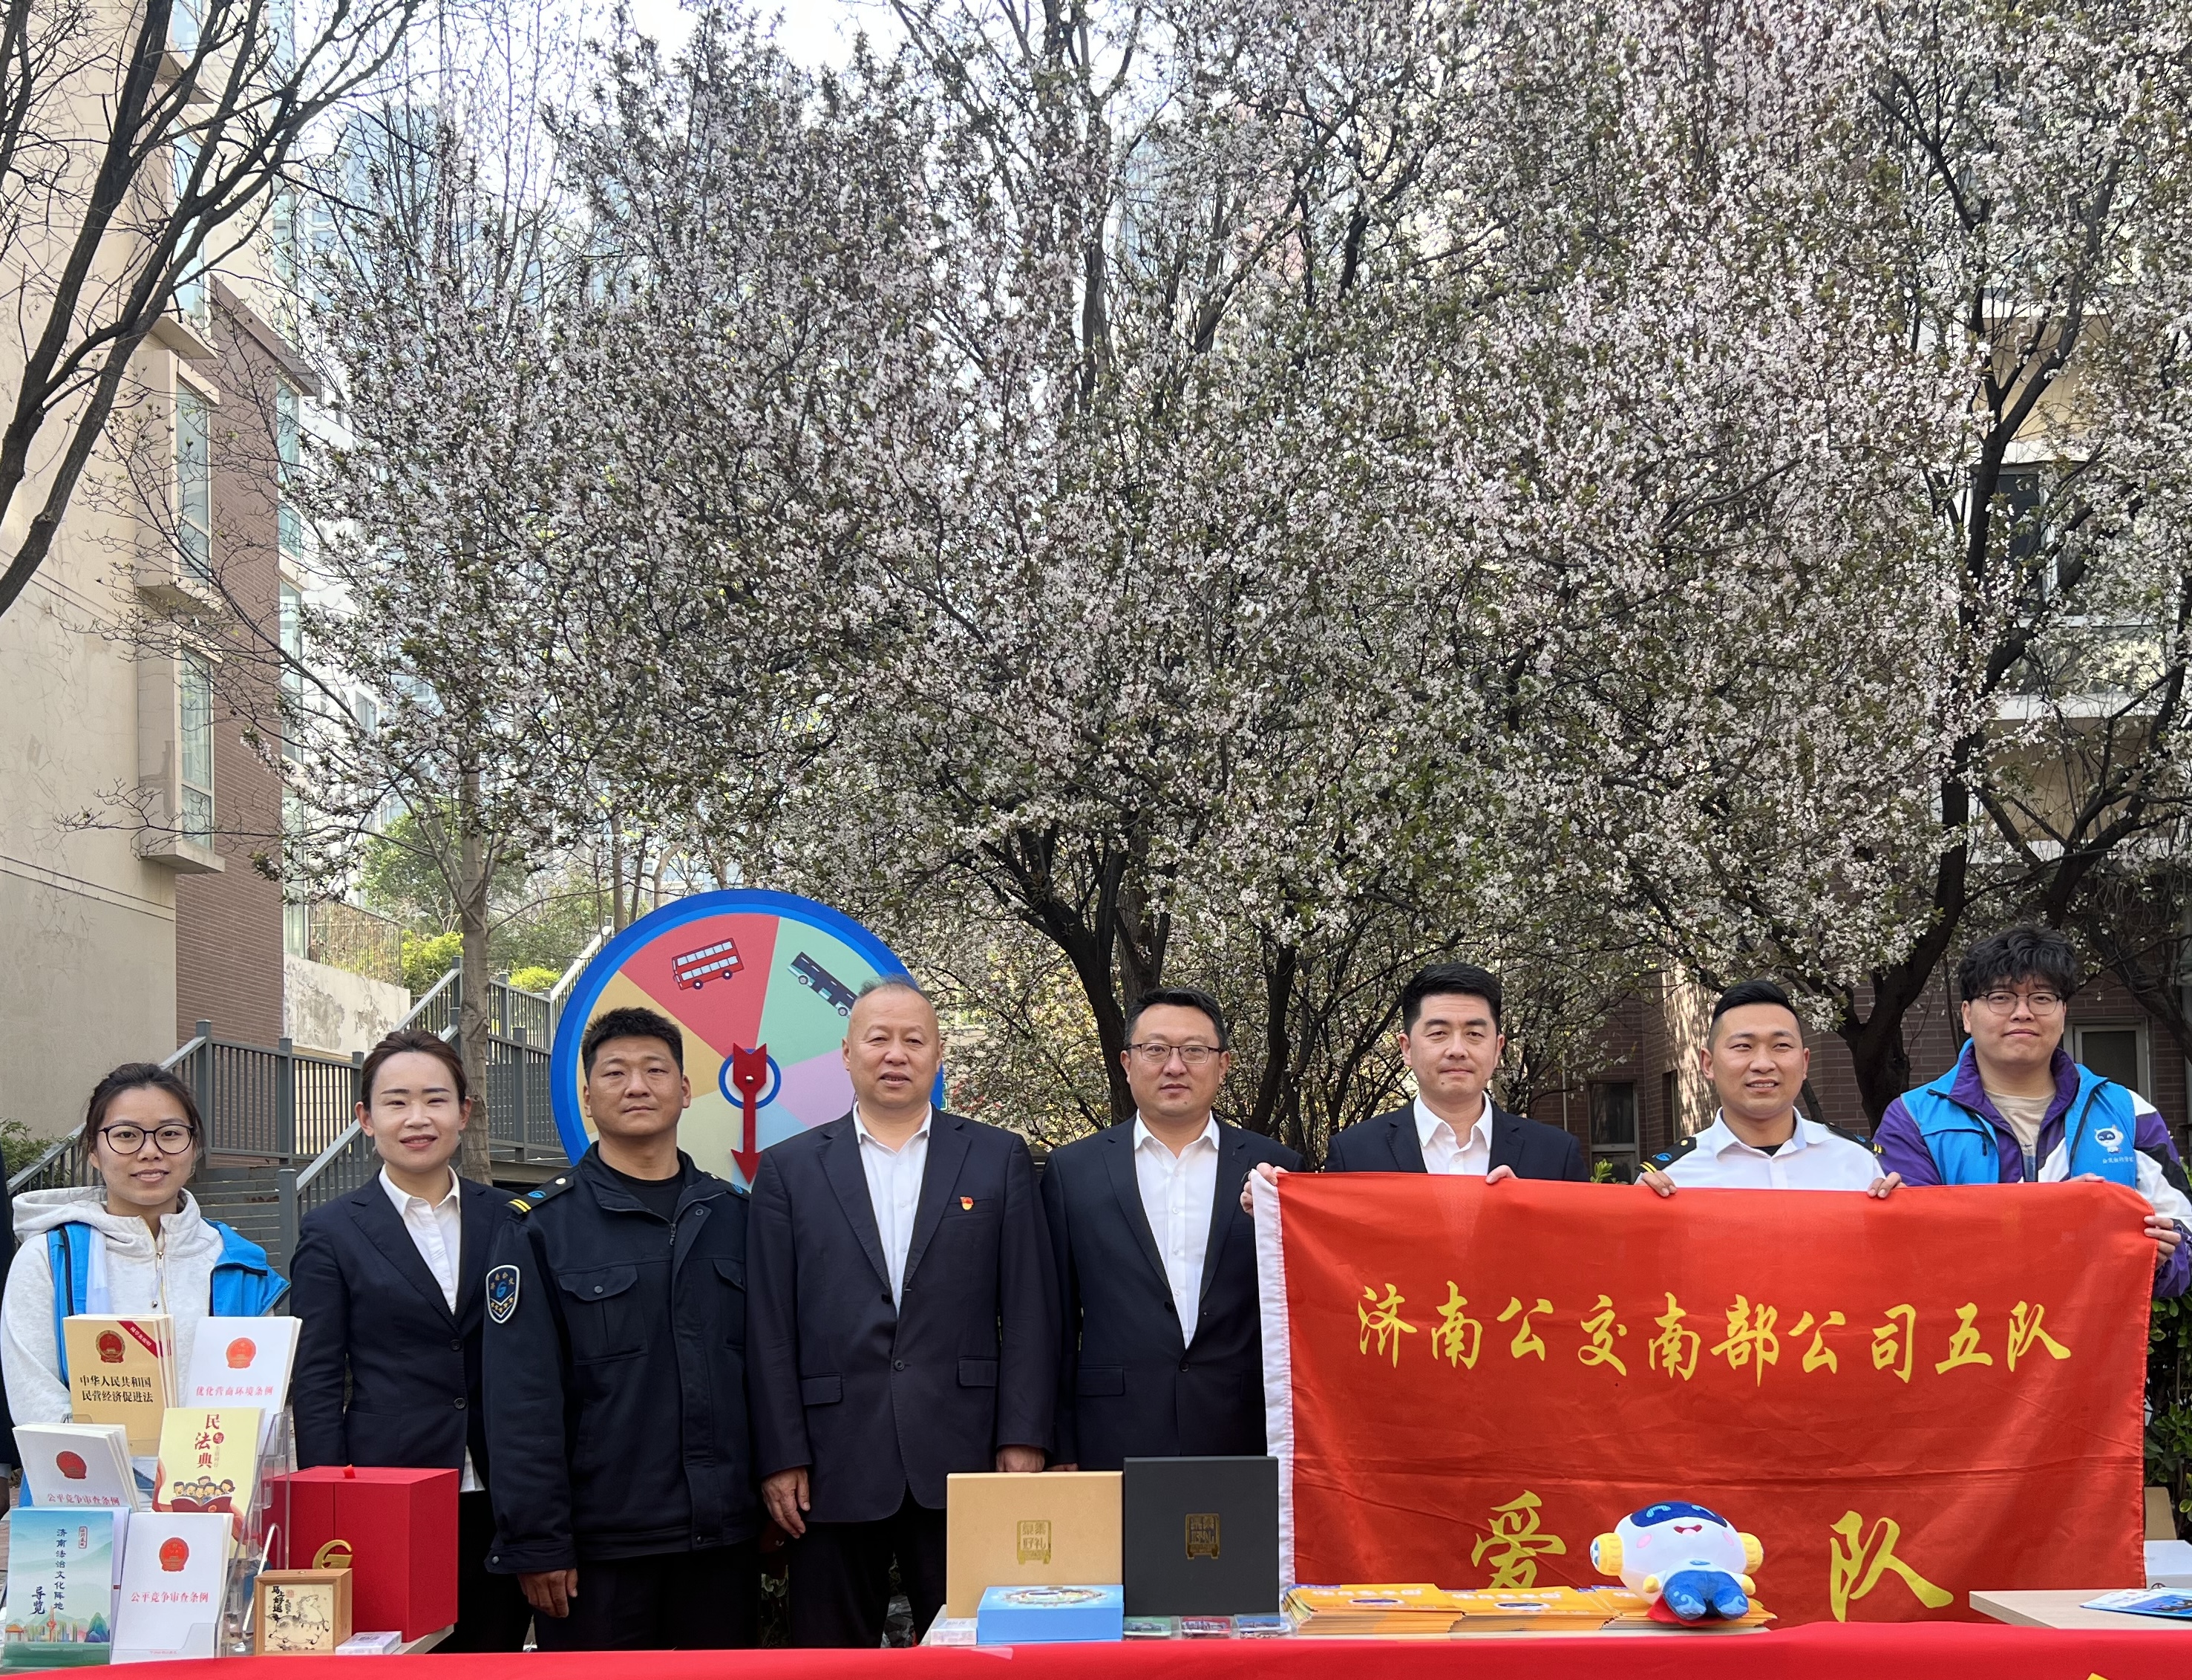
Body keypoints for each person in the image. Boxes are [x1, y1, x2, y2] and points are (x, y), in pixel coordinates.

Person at [747, 975, 1056, 1648]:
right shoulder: (788, 1169)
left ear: (938, 1054)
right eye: (878, 1038)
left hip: (966, 1454)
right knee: (830, 1658)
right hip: (829, 1460)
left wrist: (1024, 1434)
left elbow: (1030, 1307)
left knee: (978, 1652)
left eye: (914, 1040)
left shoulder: (996, 1156)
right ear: (846, 1053)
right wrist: (780, 1454)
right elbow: (767, 1325)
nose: (895, 1053)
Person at [482, 1007, 759, 1650]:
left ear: (684, 1090)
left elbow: (763, 1371)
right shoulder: (539, 1228)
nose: (637, 1085)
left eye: (654, 1070)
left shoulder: (734, 1217)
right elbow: (520, 1401)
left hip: (721, 1541)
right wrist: (538, 1539)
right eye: (615, 1072)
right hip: (597, 1552)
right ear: (587, 1095)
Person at [289, 1029, 529, 1653]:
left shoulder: (511, 1218)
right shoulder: (332, 1231)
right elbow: (317, 1377)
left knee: (493, 1651)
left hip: (503, 1487)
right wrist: (328, 1496)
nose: (417, 1118)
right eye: (396, 1101)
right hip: (388, 1488)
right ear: (366, 1118)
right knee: (403, 1655)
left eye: (435, 1099)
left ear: (464, 1112)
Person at [1041, 987, 1300, 1471]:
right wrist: (1058, 1442)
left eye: (1194, 1051)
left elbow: (1300, 1311)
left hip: (1244, 1429)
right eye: (1155, 1049)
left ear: (1223, 1065)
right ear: (1127, 1062)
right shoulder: (1073, 1170)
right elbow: (1053, 1318)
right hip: (1111, 1430)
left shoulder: (1275, 1169)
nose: (1174, 1066)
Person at [1871, 925, 2191, 1296]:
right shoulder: (1913, 1119)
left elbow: (2185, 1244)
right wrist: (2048, 1219)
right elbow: (1910, 1254)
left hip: (2095, 1332)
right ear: (1967, 1015)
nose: (2022, 1013)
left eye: (2041, 998)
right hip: (1969, 1330)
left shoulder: (2128, 1111)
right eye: (2000, 997)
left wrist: (2163, 1258)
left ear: (2063, 1012)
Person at [3, 1064, 286, 1449]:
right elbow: (35, 1399)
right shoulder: (50, 1260)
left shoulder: (238, 1263)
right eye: (126, 1135)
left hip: (211, 1480)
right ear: (93, 1151)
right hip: (87, 1483)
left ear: (194, 1147)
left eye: (170, 1134)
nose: (150, 1152)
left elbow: (257, 1396)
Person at [1639, 981, 1899, 1194]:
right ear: (1708, 1064)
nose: (1763, 1064)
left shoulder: (1859, 1163)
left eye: (1781, 1046)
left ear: (1804, 1063)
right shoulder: (1672, 1179)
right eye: (1743, 1046)